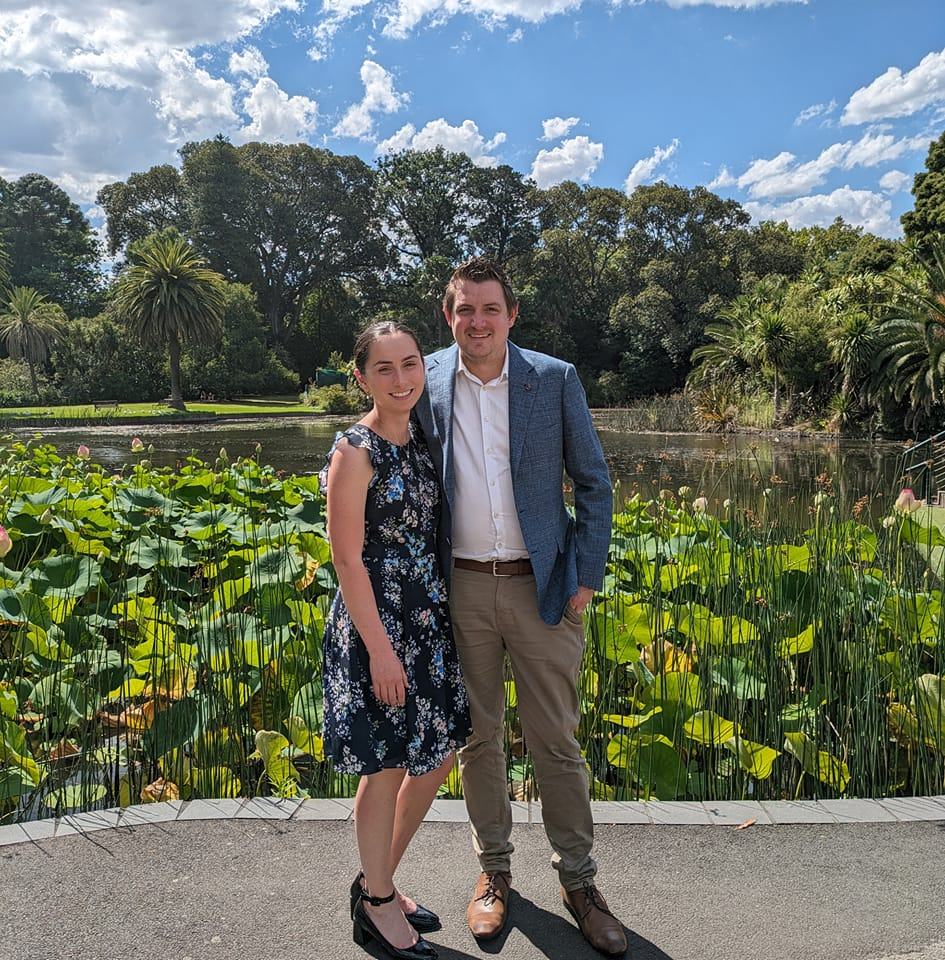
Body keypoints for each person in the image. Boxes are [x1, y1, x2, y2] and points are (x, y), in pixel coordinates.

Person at [414, 258, 626, 956]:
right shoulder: (426, 381)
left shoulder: (553, 378)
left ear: (510, 315)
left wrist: (585, 578)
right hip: (463, 586)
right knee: (478, 739)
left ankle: (579, 882)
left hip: (544, 585)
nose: (477, 322)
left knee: (556, 744)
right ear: (448, 315)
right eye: (464, 310)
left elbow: (593, 483)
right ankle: (494, 874)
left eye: (490, 309)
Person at [319, 320, 471, 960]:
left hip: (425, 622)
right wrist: (379, 650)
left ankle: (375, 880)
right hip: (375, 626)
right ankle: (377, 905)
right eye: (384, 368)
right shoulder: (354, 450)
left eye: (410, 364)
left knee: (434, 756)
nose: (402, 379)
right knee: (383, 766)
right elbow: (347, 560)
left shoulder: (420, 441)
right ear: (361, 377)